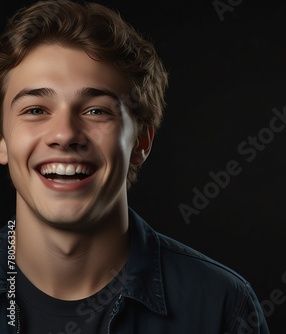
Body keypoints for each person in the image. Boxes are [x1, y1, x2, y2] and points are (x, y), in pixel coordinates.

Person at [0, 0, 270, 333]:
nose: (65, 134)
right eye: (36, 110)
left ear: (141, 142)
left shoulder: (223, 307)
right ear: (2, 141)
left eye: (97, 111)